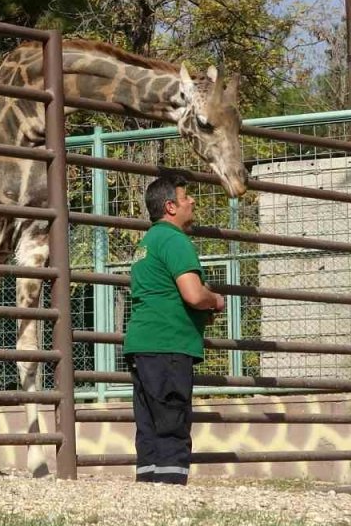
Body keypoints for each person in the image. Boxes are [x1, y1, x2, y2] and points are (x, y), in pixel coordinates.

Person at [122, 174, 225, 485]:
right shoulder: (175, 240)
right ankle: (170, 495)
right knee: (172, 424)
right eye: (185, 198)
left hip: (142, 345)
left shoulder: (147, 243)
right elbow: (193, 294)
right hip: (169, 346)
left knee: (149, 427)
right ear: (170, 207)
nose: (192, 201)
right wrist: (215, 300)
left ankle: (149, 496)